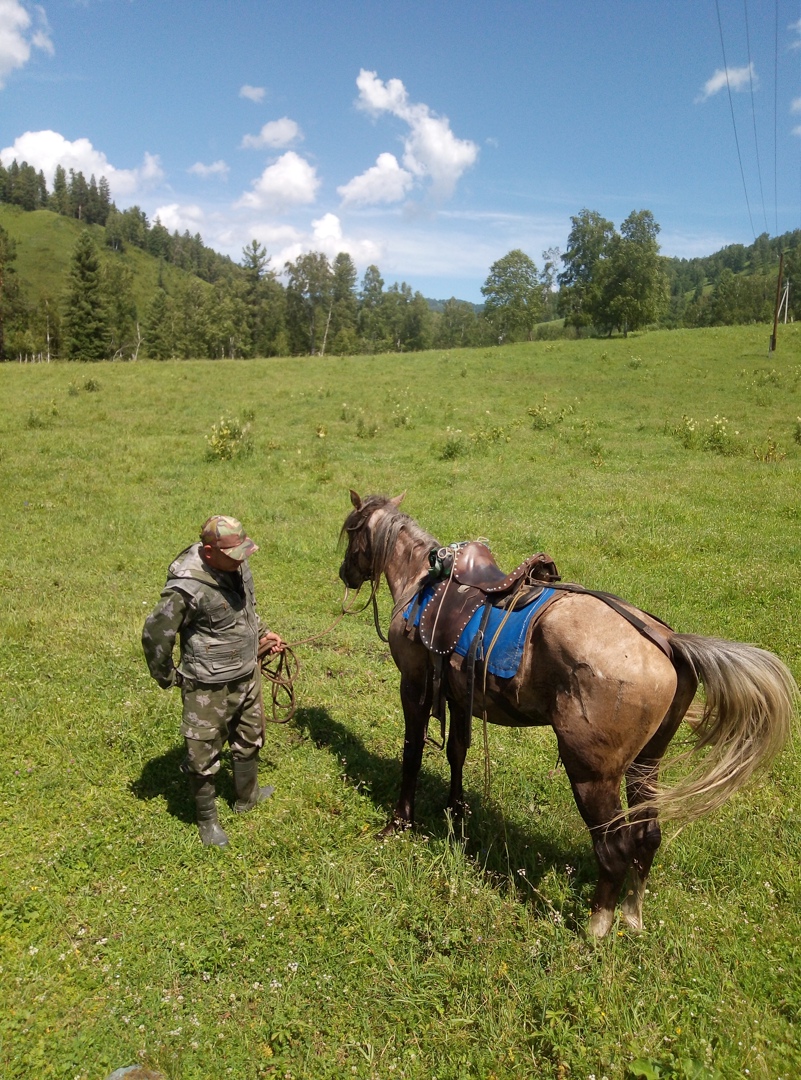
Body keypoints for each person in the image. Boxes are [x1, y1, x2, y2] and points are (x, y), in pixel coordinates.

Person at [142, 515, 285, 847]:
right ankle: (208, 821)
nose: (241, 562)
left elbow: (244, 608)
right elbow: (155, 635)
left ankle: (247, 798)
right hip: (208, 685)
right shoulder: (186, 586)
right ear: (208, 552)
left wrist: (262, 634)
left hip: (247, 672)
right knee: (202, 753)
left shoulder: (236, 562)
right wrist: (167, 676)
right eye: (234, 556)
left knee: (250, 736)